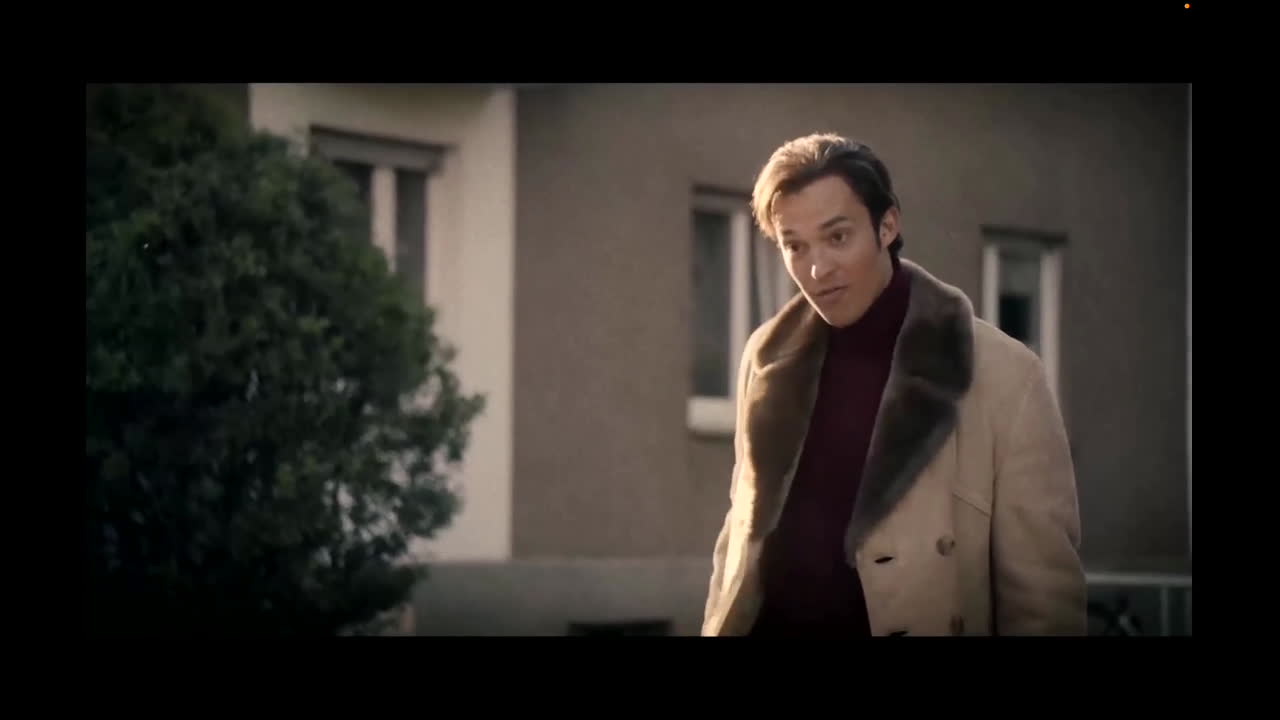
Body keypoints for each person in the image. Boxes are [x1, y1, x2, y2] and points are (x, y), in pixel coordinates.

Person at [701, 133, 1086, 637]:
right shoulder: (767, 358)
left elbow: (1044, 603)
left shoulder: (1005, 376)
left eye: (838, 237)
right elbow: (737, 545)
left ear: (887, 226)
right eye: (795, 246)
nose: (817, 269)